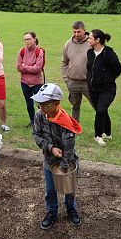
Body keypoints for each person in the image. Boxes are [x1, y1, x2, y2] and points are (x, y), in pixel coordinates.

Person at [31, 83, 82, 230]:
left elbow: (69, 149)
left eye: (45, 104)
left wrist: (64, 167)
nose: (41, 107)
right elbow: (36, 134)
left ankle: (70, 208)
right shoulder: (39, 115)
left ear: (56, 103)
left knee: (69, 189)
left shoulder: (65, 122)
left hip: (68, 161)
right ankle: (52, 211)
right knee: (50, 190)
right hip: (49, 161)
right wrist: (50, 148)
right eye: (39, 104)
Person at [86, 29, 121, 146]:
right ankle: (108, 132)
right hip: (93, 89)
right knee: (101, 110)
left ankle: (98, 135)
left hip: (107, 89)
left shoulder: (109, 54)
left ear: (98, 40)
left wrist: (109, 79)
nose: (88, 39)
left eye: (90, 38)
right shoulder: (90, 53)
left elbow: (118, 69)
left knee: (100, 110)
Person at [61, 21, 93, 122]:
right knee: (75, 106)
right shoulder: (68, 44)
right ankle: (75, 127)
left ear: (84, 30)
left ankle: (102, 129)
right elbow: (64, 62)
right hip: (73, 82)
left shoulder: (91, 43)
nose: (76, 34)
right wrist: (66, 79)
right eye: (74, 32)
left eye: (78, 31)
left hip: (87, 82)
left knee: (97, 105)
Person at [16, 31, 44, 127]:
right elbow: (18, 67)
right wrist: (29, 67)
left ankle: (43, 122)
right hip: (24, 82)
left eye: (29, 39)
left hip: (37, 83)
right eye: (25, 39)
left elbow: (38, 68)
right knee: (29, 103)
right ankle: (33, 121)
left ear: (34, 39)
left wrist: (25, 67)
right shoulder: (22, 51)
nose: (27, 41)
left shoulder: (39, 51)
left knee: (40, 104)